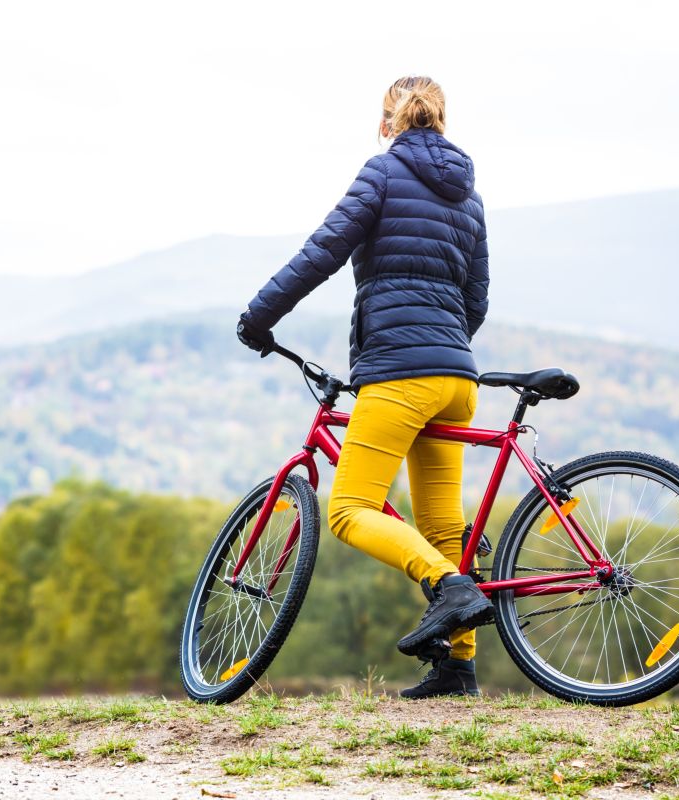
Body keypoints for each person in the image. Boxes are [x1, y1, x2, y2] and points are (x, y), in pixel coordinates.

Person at [236, 75, 492, 699]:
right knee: (441, 524)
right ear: (442, 121)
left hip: (400, 372)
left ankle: (449, 587)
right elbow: (476, 301)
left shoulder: (380, 174)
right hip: (457, 376)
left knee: (350, 510)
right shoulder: (470, 197)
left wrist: (259, 317)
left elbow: (322, 252)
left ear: (387, 123)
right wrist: (441, 346)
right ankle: (458, 667)